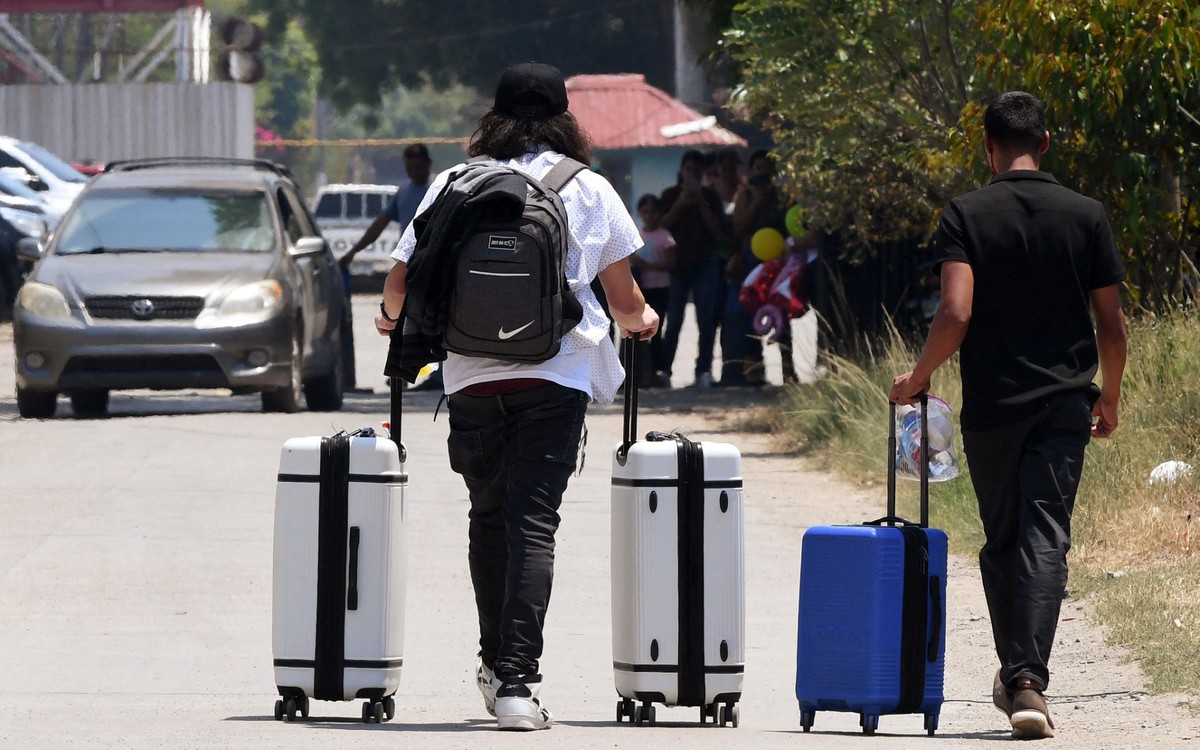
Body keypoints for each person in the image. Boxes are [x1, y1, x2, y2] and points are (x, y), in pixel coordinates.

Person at [374, 61, 659, 731]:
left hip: (471, 377)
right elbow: (625, 304)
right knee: (533, 524)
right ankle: (516, 684)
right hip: (555, 377)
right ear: (565, 118)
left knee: (488, 517)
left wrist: (390, 321)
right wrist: (645, 321)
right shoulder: (589, 187)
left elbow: (398, 286)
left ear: (492, 117)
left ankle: (491, 662)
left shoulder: (453, 183)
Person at [889, 91, 1128, 740]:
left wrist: (919, 375)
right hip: (1065, 405)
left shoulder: (966, 213)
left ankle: (1021, 678)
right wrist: (1108, 395)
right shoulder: (1086, 215)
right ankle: (1027, 682)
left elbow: (956, 312)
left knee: (1002, 542)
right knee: (1046, 536)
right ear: (1044, 143)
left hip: (995, 408)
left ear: (988, 149)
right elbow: (1111, 323)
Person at [342, 143, 438, 391]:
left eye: (418, 166)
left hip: (436, 264)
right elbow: (379, 225)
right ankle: (402, 371)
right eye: (409, 167)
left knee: (436, 318)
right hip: (409, 265)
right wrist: (354, 252)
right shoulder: (404, 192)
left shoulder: (439, 188)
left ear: (428, 164)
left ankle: (439, 376)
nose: (414, 172)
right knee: (399, 317)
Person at [659, 149, 727, 387]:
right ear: (682, 171)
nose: (692, 175)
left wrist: (701, 203)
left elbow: (717, 230)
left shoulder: (711, 196)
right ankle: (665, 370)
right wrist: (680, 204)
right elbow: (661, 226)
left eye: (697, 171)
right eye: (689, 169)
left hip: (705, 263)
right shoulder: (670, 195)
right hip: (678, 266)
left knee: (706, 320)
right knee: (674, 320)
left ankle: (704, 370)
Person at [632, 193, 675, 386]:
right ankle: (641, 372)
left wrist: (647, 266)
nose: (649, 216)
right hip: (641, 289)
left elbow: (670, 264)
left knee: (655, 331)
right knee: (638, 331)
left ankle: (659, 370)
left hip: (660, 288)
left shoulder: (664, 237)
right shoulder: (636, 235)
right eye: (645, 212)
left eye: (653, 212)